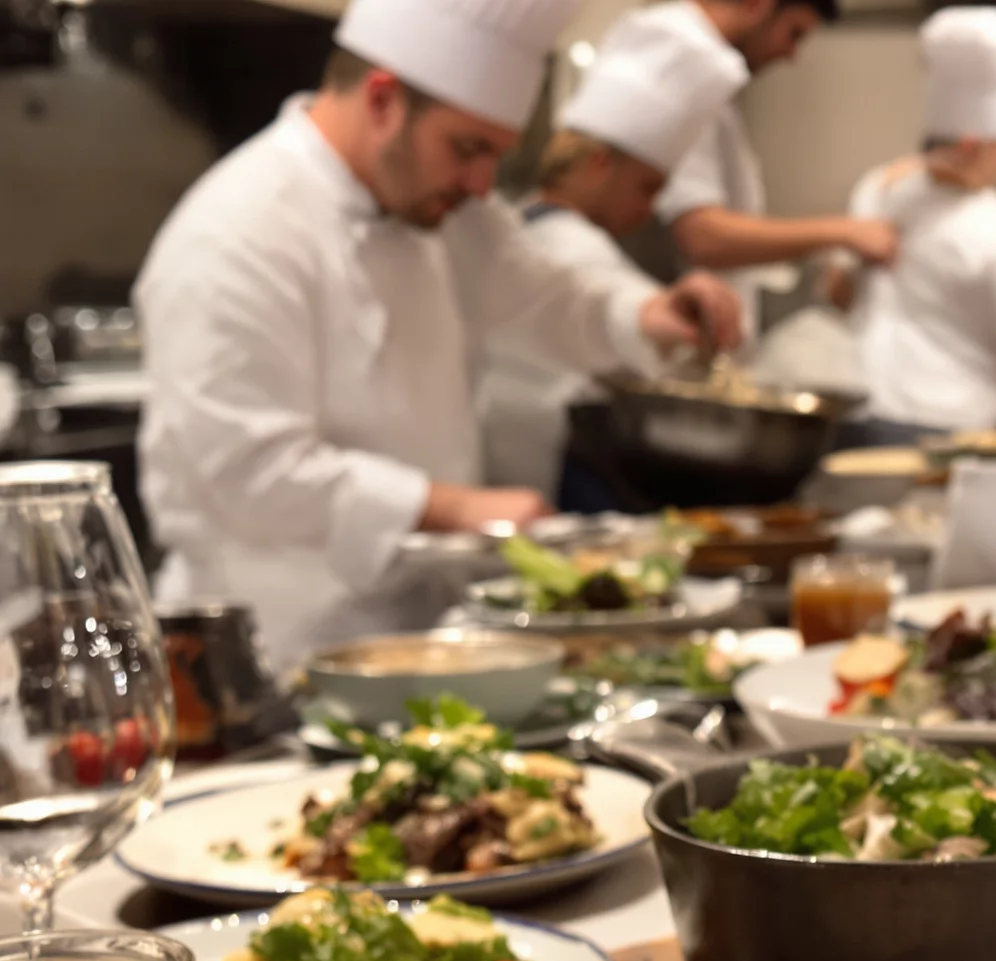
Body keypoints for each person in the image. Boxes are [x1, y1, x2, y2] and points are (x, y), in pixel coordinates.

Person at [135, 0, 742, 665]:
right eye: (468, 148)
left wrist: (649, 314)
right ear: (383, 99)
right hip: (274, 652)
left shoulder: (443, 215)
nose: (483, 186)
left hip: (419, 634)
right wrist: (451, 507)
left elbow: (547, 295)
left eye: (497, 155)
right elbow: (249, 468)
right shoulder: (238, 232)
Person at [478, 3, 750, 497]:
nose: (649, 210)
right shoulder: (571, 245)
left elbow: (581, 305)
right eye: (648, 188)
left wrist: (652, 313)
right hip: (552, 466)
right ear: (601, 163)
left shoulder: (514, 229)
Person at [834, 8, 996, 438]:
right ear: (974, 143)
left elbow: (838, 292)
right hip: (963, 431)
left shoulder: (876, 190)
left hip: (869, 416)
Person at [660, 0, 898, 340]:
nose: (791, 54)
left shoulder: (713, 89)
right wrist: (841, 232)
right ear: (759, 7)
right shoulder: (681, 69)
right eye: (794, 33)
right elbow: (701, 236)